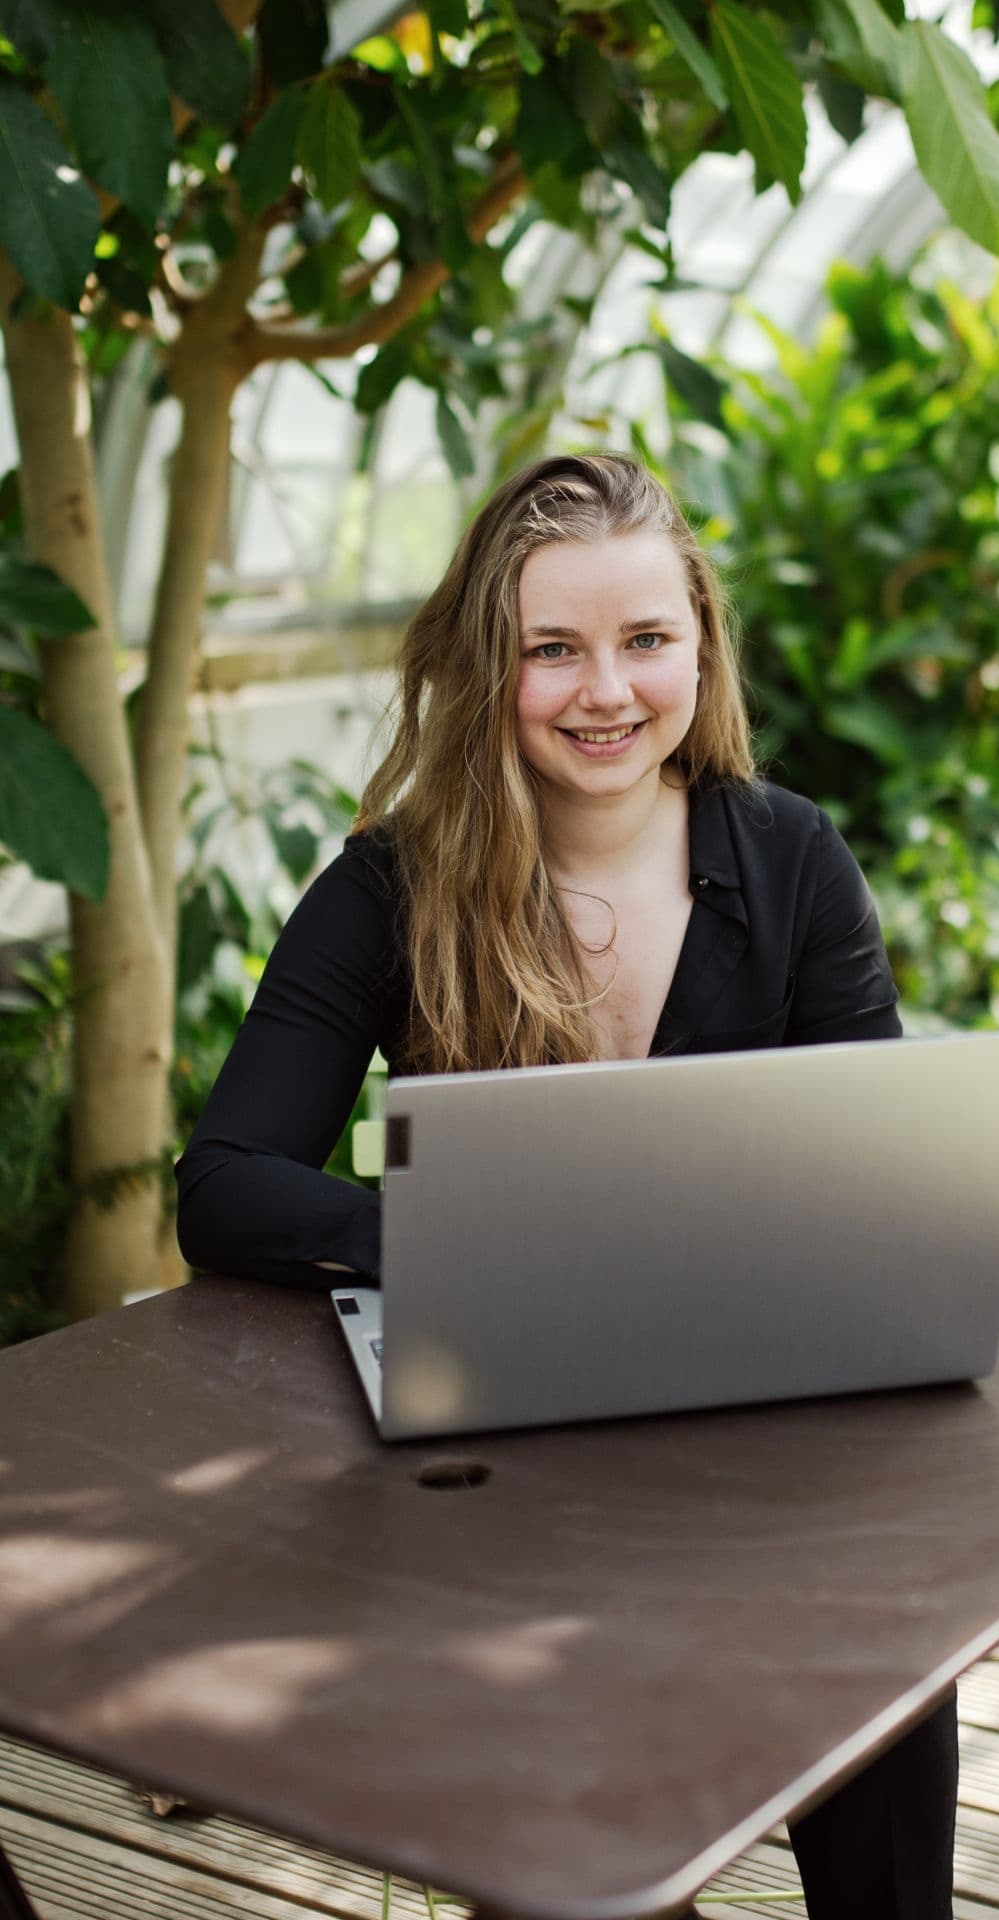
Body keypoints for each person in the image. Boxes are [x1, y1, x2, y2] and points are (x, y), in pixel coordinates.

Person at [176, 452, 959, 1919]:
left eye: (647, 639)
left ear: (701, 647)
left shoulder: (793, 857)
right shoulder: (389, 888)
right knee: (588, 1844)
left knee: (888, 1648)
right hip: (503, 1431)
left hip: (752, 1410)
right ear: (493, 667)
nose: (607, 690)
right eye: (554, 649)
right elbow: (223, 1185)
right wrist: (477, 1240)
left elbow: (885, 1179)